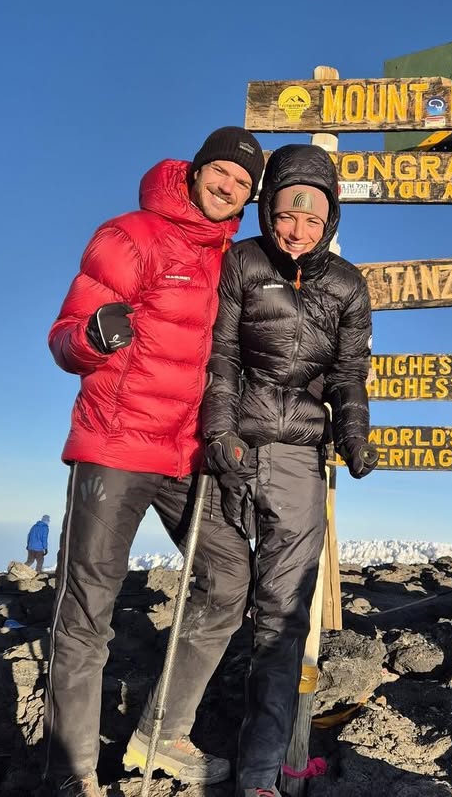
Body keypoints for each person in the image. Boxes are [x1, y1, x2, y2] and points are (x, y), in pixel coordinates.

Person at [122, 143, 376, 797]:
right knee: (219, 594)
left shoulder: (348, 285)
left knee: (284, 617)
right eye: (288, 213)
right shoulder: (241, 263)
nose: (298, 229)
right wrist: (219, 432)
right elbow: (222, 356)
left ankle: (260, 773)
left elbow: (348, 373)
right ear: (270, 209)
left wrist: (353, 432)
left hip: (299, 462)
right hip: (233, 452)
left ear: (331, 221)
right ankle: (160, 731)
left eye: (314, 219)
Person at [43, 126, 264, 797]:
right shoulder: (130, 235)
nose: (229, 186)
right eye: (221, 172)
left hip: (189, 455)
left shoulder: (231, 259)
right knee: (87, 610)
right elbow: (63, 338)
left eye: (243, 183)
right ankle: (68, 771)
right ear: (196, 171)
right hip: (114, 447)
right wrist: (92, 335)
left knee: (229, 578)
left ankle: (161, 732)